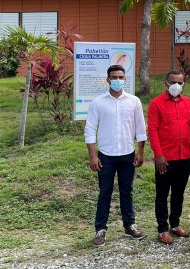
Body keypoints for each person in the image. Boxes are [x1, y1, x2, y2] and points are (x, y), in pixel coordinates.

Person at [84, 65, 147, 247]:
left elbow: (140, 129)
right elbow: (90, 129)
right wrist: (93, 156)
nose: (117, 80)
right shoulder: (98, 102)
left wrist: (141, 152)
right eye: (114, 77)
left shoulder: (134, 101)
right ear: (108, 80)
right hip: (106, 157)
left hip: (128, 155)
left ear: (125, 79)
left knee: (127, 191)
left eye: (120, 77)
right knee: (105, 193)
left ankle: (129, 225)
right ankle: (100, 229)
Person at [147, 70, 190, 244]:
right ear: (166, 83)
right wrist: (159, 154)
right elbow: (152, 130)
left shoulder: (187, 102)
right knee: (162, 194)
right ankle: (162, 229)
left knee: (178, 193)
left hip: (185, 156)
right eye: (173, 82)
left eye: (180, 82)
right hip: (165, 159)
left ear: (183, 84)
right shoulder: (156, 103)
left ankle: (175, 224)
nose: (176, 85)